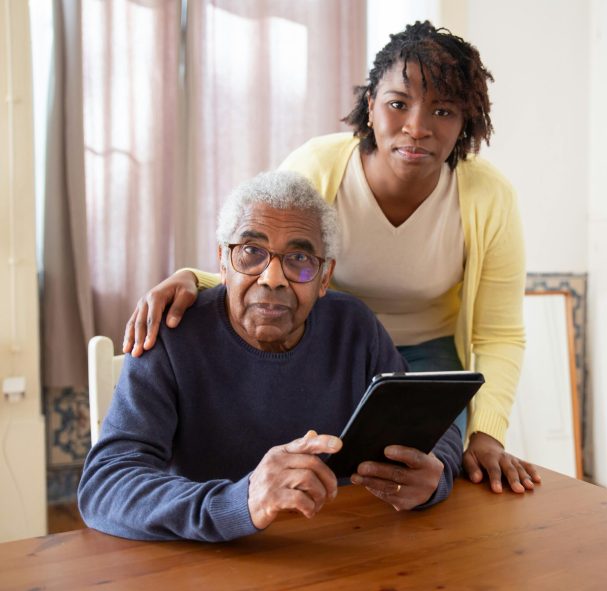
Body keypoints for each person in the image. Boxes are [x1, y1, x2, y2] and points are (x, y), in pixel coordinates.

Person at [122, 21, 541, 495]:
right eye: (398, 103)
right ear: (371, 104)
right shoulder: (320, 167)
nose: (417, 127)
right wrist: (193, 279)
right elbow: (268, 254)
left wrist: (486, 435)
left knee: (423, 488)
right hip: (334, 349)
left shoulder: (490, 196)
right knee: (329, 482)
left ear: (466, 120)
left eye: (443, 110)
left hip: (429, 361)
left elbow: (499, 333)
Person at [78, 171, 462, 542]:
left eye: (299, 258)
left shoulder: (354, 327)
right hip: (210, 561)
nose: (272, 277)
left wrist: (434, 479)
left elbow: (436, 428)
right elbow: (106, 486)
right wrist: (240, 502)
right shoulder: (172, 334)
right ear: (223, 263)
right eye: (251, 252)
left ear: (325, 277)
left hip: (344, 549)